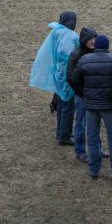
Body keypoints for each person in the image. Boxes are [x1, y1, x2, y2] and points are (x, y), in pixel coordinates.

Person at [71, 34, 112, 181]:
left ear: (96, 46)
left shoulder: (84, 60)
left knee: (92, 138)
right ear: (107, 46)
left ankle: (94, 170)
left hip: (91, 106)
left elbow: (74, 79)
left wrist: (85, 93)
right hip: (109, 106)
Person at [29, 11, 80, 148]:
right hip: (66, 77)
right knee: (68, 107)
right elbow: (67, 57)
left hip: (58, 75)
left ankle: (61, 132)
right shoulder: (69, 36)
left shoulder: (57, 32)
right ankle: (64, 136)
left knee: (62, 107)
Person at [67, 25, 98, 163]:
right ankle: (80, 151)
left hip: (96, 95)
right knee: (80, 124)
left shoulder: (99, 51)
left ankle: (97, 149)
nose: (93, 41)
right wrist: (83, 93)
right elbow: (70, 78)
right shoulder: (76, 54)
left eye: (95, 38)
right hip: (82, 96)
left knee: (95, 123)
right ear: (84, 40)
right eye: (90, 39)